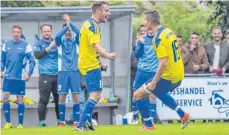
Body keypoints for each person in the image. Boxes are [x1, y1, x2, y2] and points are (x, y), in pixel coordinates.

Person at [134, 9, 190, 130]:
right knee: (159, 92)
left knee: (137, 95)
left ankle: (149, 124)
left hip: (168, 75)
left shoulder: (158, 38)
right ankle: (183, 115)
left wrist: (153, 82)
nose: (144, 22)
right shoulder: (169, 32)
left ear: (149, 22)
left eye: (145, 20)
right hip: (178, 73)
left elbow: (163, 63)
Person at [75, 1, 116, 131]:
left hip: (87, 62)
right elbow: (95, 45)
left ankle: (87, 122)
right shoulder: (93, 26)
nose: (108, 13)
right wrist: (107, 54)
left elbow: (89, 45)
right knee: (96, 95)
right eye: (106, 11)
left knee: (92, 95)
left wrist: (100, 58)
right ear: (98, 11)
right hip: (90, 65)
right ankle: (80, 125)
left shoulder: (87, 24)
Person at [1, 25, 35, 129]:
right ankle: (8, 123)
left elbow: (32, 61)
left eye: (18, 32)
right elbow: (2, 60)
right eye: (14, 32)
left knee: (20, 99)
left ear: (21, 33)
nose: (16, 34)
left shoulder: (25, 45)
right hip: (8, 76)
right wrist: (1, 70)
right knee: (5, 97)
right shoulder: (6, 44)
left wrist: (29, 73)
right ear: (12, 33)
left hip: (20, 77)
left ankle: (20, 124)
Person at [55, 14, 81, 127]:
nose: (68, 32)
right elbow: (57, 35)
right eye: (66, 30)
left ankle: (76, 120)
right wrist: (67, 25)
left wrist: (70, 23)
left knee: (76, 96)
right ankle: (62, 121)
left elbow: (79, 32)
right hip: (63, 72)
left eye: (70, 30)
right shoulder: (59, 42)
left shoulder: (76, 41)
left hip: (75, 71)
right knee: (62, 96)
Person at [33, 24, 60, 127]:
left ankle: (60, 121)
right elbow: (37, 55)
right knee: (44, 100)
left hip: (57, 76)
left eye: (48, 31)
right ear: (42, 32)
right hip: (45, 76)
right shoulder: (38, 43)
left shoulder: (57, 43)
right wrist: (49, 47)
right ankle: (42, 123)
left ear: (51, 32)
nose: (47, 33)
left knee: (59, 100)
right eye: (44, 31)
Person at [132, 28, 158, 125]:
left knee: (152, 96)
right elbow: (137, 54)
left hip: (153, 72)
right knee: (135, 95)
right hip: (141, 71)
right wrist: (142, 43)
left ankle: (150, 119)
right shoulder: (142, 39)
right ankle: (135, 117)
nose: (150, 30)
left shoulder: (158, 39)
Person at [131, 24, 146, 124]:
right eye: (141, 31)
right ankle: (135, 116)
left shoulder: (150, 42)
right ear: (138, 32)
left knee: (148, 96)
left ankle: (148, 118)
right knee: (135, 95)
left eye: (144, 31)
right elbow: (133, 58)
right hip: (136, 73)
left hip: (147, 72)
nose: (142, 32)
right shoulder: (133, 43)